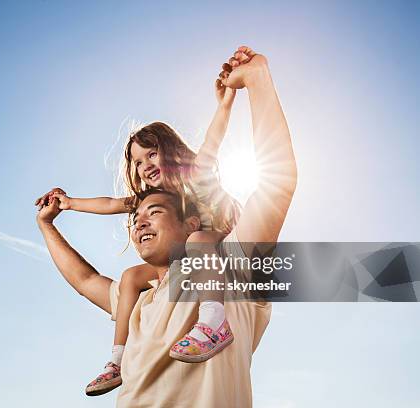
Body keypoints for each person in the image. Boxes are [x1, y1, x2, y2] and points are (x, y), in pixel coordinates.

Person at [37, 46, 297, 406]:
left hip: (208, 255)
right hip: (179, 268)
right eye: (138, 162)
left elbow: (262, 175)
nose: (145, 166)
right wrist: (63, 210)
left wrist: (234, 97)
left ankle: (212, 320)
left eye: (151, 153)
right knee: (129, 276)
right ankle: (116, 359)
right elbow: (86, 276)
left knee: (202, 243)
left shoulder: (212, 224)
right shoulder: (144, 292)